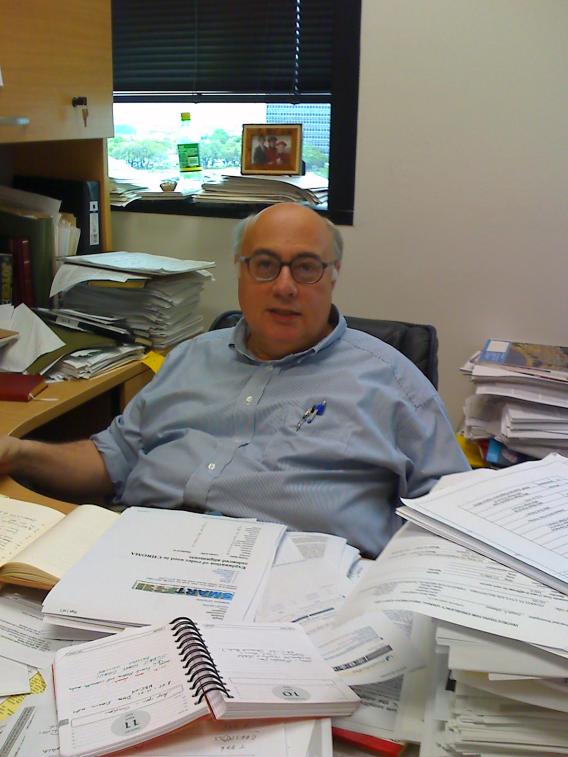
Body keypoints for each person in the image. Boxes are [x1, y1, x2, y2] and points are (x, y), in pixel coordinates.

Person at [0, 204, 468, 557]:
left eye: (306, 267)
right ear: (240, 271)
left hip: (301, 585)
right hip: (141, 553)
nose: (284, 286)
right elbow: (113, 459)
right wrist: (19, 452)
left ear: (333, 276)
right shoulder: (190, 357)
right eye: (265, 264)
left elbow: (455, 520)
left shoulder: (392, 383)